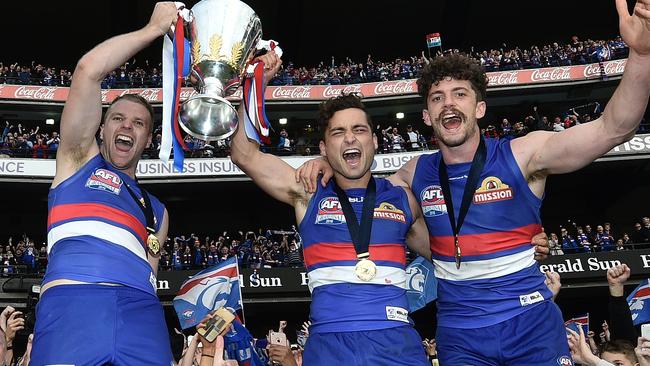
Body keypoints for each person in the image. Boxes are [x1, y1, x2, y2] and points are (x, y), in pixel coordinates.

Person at [298, 1, 650, 363]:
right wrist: (326, 158)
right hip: (460, 334)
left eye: (460, 94)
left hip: (529, 323)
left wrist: (640, 54)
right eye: (437, 98)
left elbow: (614, 128)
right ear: (426, 115)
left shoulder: (523, 154)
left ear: (479, 107)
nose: (448, 104)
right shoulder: (414, 174)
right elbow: (358, 185)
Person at [230, 55, 432, 364]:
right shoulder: (308, 191)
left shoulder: (404, 198)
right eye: (338, 132)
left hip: (397, 343)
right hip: (330, 346)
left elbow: (450, 255)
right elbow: (243, 154)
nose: (350, 137)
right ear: (324, 148)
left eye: (359, 130)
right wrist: (259, 82)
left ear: (375, 141)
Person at [30, 3, 177, 365]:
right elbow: (87, 70)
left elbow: (150, 275)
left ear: (148, 140)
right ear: (101, 128)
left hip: (141, 314)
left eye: (139, 123)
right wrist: (153, 29)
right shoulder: (78, 158)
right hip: (73, 305)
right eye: (118, 119)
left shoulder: (157, 210)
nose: (127, 127)